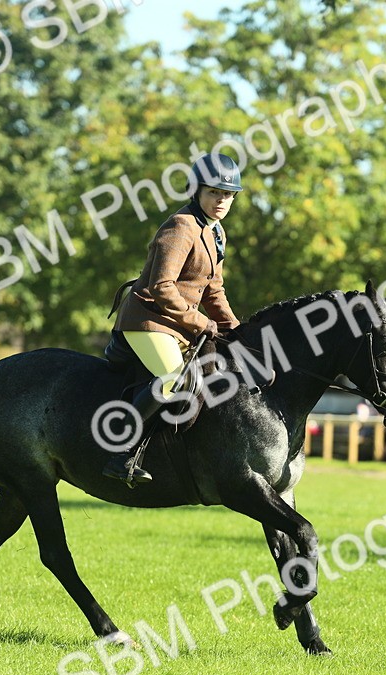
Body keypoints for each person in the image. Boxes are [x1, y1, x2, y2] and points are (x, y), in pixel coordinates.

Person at [103, 153, 244, 486]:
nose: (221, 200)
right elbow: (161, 287)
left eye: (228, 195)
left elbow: (214, 291)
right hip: (147, 319)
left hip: (176, 323)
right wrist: (200, 323)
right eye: (214, 192)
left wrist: (237, 330)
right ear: (196, 191)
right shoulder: (182, 226)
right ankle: (120, 453)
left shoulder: (216, 232)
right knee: (173, 376)